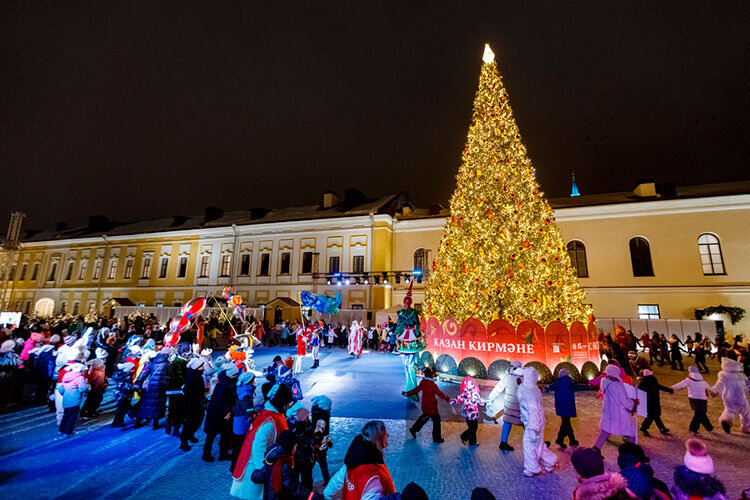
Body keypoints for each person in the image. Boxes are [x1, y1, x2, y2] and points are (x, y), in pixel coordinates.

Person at [231, 383, 294, 499]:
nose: (289, 406)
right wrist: (263, 470)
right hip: (257, 466)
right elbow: (258, 446)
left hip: (265, 464)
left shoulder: (272, 415)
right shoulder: (269, 421)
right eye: (288, 403)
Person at [323, 420, 399, 500]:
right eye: (385, 433)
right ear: (378, 439)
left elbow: (330, 490)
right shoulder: (372, 476)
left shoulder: (353, 461)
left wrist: (327, 497)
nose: (388, 435)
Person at [250, 429, 324, 500]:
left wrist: (254, 473)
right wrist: (315, 497)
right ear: (289, 447)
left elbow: (256, 476)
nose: (296, 447)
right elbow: (295, 490)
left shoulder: (272, 461)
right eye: (295, 445)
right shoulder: (284, 466)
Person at [518, 366, 557, 477]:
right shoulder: (533, 389)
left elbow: (533, 411)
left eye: (522, 377)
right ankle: (550, 462)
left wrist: (531, 428)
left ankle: (531, 468)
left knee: (529, 445)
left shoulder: (528, 392)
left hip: (533, 425)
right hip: (537, 423)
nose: (521, 379)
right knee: (538, 445)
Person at [593, 365, 638, 450]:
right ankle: (632, 450)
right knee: (631, 432)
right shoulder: (618, 385)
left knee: (605, 431)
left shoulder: (604, 381)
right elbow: (625, 402)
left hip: (608, 411)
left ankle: (595, 450)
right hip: (619, 414)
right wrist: (634, 402)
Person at [203, 362, 239, 462]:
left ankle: (223, 454)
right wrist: (226, 414)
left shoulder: (228, 382)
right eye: (234, 374)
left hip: (223, 413)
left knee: (225, 434)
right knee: (212, 435)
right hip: (217, 414)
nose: (236, 376)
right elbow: (220, 401)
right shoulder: (223, 384)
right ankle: (206, 453)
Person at [404, 366, 449, 443]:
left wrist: (407, 393)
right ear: (431, 375)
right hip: (432, 407)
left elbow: (416, 390)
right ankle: (436, 438)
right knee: (436, 421)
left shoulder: (423, 382)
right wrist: (448, 398)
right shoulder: (432, 384)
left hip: (425, 405)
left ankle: (414, 429)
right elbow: (439, 394)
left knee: (425, 417)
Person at [487, 360, 524, 451]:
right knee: (526, 423)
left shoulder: (507, 376)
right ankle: (535, 442)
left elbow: (498, 388)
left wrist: (490, 399)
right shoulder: (523, 377)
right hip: (520, 405)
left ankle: (503, 443)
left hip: (509, 405)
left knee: (507, 422)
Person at [671, 365, 716, 435]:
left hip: (694, 399)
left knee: (700, 414)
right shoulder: (702, 381)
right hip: (703, 399)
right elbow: (710, 388)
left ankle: (699, 428)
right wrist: (714, 392)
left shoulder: (689, 380)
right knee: (700, 413)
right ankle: (705, 428)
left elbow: (681, 384)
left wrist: (672, 387)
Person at [545, 367, 582, 448]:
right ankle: (571, 440)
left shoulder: (558, 382)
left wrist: (546, 388)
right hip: (569, 405)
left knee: (566, 422)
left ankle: (560, 439)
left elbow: (551, 387)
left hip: (561, 405)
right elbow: (577, 387)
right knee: (566, 422)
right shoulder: (570, 381)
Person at [711, 357, 750, 434]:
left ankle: (726, 420)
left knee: (729, 410)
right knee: (745, 413)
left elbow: (719, 385)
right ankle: (747, 427)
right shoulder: (740, 375)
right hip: (740, 396)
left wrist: (714, 391)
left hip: (728, 397)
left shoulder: (723, 375)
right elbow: (746, 384)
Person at [134, 347, 170, 430]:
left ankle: (138, 422)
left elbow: (143, 374)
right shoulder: (167, 363)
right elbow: (169, 375)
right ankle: (155, 424)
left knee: (144, 404)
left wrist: (138, 384)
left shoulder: (151, 362)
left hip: (149, 387)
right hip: (160, 387)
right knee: (158, 405)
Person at [231, 371, 257, 473]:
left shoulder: (241, 389)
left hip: (238, 421)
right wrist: (254, 415)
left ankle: (234, 466)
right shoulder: (246, 394)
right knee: (239, 446)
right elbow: (248, 409)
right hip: (242, 423)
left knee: (237, 446)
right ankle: (236, 467)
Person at [181, 357, 209, 451]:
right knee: (190, 422)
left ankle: (190, 435)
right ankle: (184, 441)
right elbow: (193, 392)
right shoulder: (194, 378)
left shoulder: (196, 376)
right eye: (201, 366)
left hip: (196, 403)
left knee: (197, 420)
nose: (203, 367)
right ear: (196, 367)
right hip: (192, 404)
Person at [451, 376, 487, 446]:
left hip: (468, 415)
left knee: (472, 428)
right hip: (473, 415)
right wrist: (486, 402)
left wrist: (453, 400)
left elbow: (458, 398)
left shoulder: (465, 394)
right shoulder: (475, 394)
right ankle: (464, 436)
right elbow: (481, 402)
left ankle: (472, 441)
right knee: (473, 428)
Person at [637, 369, 672, 436]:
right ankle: (644, 427)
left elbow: (639, 391)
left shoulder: (643, 383)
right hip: (654, 401)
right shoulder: (653, 380)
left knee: (654, 416)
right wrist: (669, 390)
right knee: (653, 416)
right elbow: (660, 387)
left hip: (648, 402)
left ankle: (661, 428)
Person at [289, 406, 315, 489]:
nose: (308, 417)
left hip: (306, 459)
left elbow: (311, 437)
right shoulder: (294, 429)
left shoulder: (308, 425)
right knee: (296, 481)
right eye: (306, 416)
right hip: (298, 459)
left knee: (307, 482)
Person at [57, 364, 88, 435]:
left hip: (66, 399)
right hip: (75, 399)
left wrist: (64, 394)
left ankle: (61, 430)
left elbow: (61, 388)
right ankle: (68, 431)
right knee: (73, 417)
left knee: (66, 415)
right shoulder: (80, 377)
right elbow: (81, 388)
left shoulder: (66, 376)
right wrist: (87, 388)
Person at [165, 345, 189, 437]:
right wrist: (183, 385)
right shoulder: (178, 362)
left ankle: (173, 423)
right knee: (176, 409)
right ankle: (173, 425)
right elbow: (178, 376)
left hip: (176, 390)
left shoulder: (180, 361)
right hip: (177, 390)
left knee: (175, 409)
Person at [111, 362, 136, 427]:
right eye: (133, 368)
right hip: (122, 395)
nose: (134, 370)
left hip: (123, 395)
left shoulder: (126, 375)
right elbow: (126, 387)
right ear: (129, 369)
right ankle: (117, 422)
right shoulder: (126, 377)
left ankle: (121, 420)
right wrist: (134, 388)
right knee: (121, 409)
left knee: (125, 408)